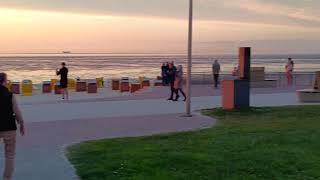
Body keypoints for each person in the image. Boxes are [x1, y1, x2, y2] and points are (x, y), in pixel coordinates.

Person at [0, 73, 25, 180]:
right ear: (4, 81)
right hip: (9, 127)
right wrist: (22, 124)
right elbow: (17, 112)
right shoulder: (9, 95)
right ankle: (7, 178)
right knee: (9, 155)